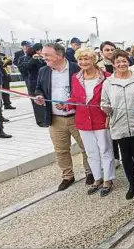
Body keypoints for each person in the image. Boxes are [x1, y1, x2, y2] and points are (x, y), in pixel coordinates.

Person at [34, 43, 92, 191]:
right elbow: (39, 88)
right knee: (61, 150)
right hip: (56, 118)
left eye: (47, 55)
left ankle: (90, 172)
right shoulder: (43, 71)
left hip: (76, 116)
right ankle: (67, 176)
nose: (44, 57)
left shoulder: (76, 68)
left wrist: (69, 103)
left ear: (59, 55)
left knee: (86, 146)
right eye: (43, 55)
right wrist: (39, 96)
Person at [60, 48, 115, 197]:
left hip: (101, 119)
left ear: (93, 60)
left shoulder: (106, 77)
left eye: (87, 59)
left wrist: (109, 115)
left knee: (105, 150)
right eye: (80, 59)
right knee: (91, 152)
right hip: (83, 121)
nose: (83, 62)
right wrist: (66, 105)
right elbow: (75, 98)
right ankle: (97, 178)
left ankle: (108, 179)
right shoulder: (75, 77)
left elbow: (111, 99)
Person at [101, 49, 134, 200]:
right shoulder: (108, 83)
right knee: (125, 157)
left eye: (124, 61)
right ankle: (132, 184)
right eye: (118, 62)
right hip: (119, 124)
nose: (121, 64)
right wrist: (105, 108)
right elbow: (104, 102)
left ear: (128, 62)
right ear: (114, 64)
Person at [18, 43, 47, 127]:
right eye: (40, 50)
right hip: (33, 83)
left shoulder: (42, 58)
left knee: (45, 101)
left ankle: (46, 118)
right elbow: (24, 68)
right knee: (37, 102)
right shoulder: (26, 57)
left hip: (42, 82)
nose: (41, 52)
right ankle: (40, 121)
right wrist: (33, 60)